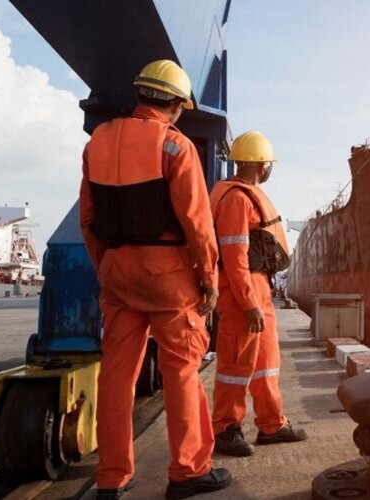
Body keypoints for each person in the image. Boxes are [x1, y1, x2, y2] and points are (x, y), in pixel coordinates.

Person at [79, 59, 232, 500]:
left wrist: (106, 265)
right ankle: (187, 472)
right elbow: (197, 224)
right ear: (177, 106)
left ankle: (110, 478)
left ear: (140, 94)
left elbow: (89, 217)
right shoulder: (175, 147)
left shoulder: (98, 143)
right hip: (170, 280)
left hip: (117, 275)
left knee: (116, 378)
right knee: (182, 373)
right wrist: (209, 280)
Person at [210, 130, 307, 457]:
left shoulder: (242, 194)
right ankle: (225, 428)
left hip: (258, 289)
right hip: (242, 293)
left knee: (267, 362)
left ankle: (272, 424)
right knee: (235, 365)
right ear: (262, 164)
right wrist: (248, 302)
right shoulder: (236, 199)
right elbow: (234, 256)